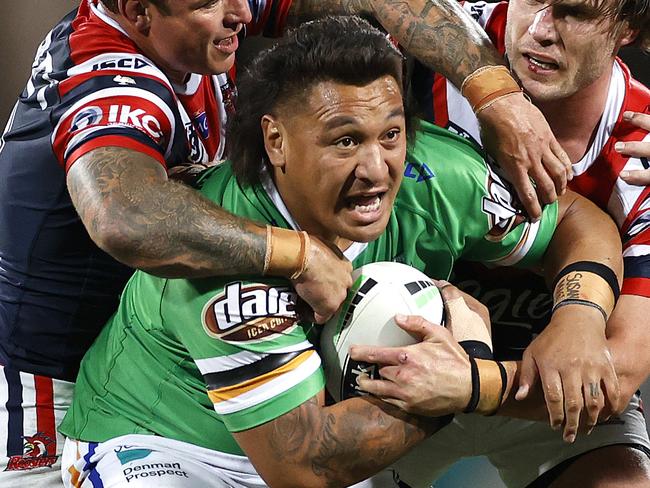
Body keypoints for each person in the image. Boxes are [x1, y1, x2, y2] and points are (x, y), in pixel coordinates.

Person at [0, 0, 574, 484]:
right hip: (56, 386)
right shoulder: (111, 80)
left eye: (390, 135)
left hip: (185, 356)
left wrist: (495, 92)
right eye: (208, 4)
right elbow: (125, 216)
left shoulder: (198, 16)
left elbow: (384, 1)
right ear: (135, 11)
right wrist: (299, 256)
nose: (242, 13)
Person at [353, 0, 650, 485]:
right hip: (390, 373)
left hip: (547, 400)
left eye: (574, 12)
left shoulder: (642, 151)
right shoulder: (427, 46)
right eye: (530, 1)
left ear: (631, 29)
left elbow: (620, 376)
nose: (539, 31)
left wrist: (474, 384)